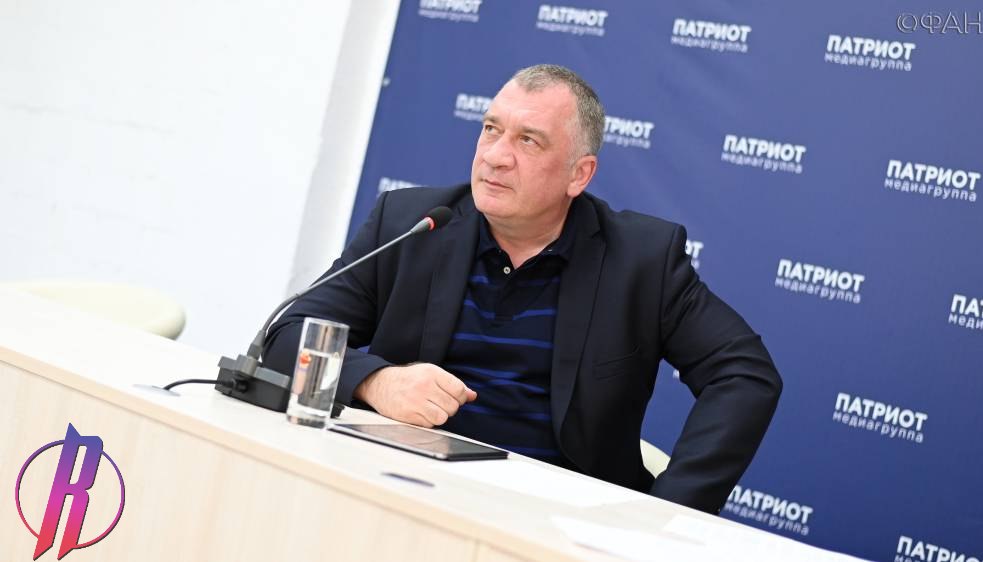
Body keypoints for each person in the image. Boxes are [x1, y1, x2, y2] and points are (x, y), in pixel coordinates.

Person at [262, 64, 781, 514]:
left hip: (555, 519)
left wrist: (667, 515)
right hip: (401, 491)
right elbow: (287, 336)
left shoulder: (640, 260)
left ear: (579, 175)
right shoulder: (411, 223)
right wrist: (376, 381)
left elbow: (744, 375)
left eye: (527, 140)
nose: (495, 155)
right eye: (491, 129)